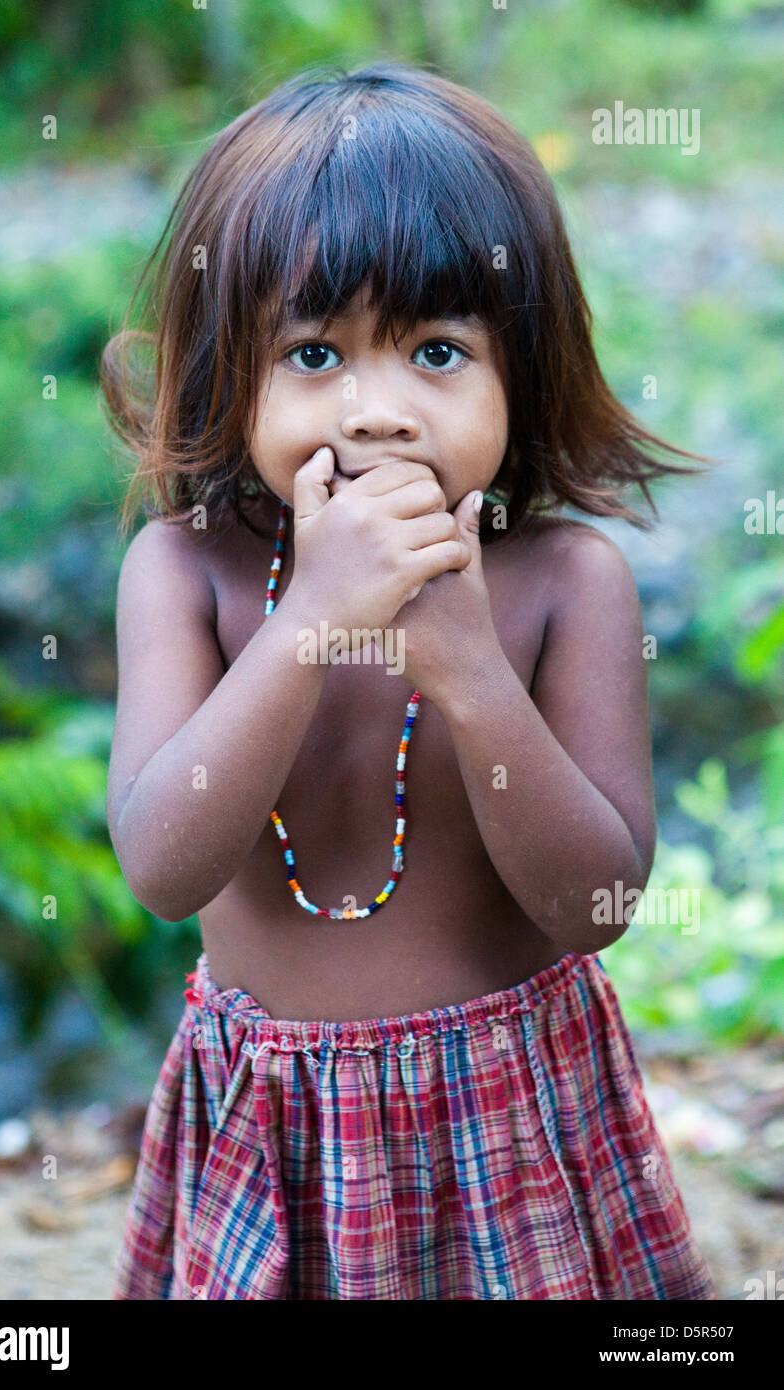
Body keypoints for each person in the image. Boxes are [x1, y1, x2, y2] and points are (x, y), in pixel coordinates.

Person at [102, 60, 717, 1300]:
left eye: (438, 352)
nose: (377, 411)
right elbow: (165, 869)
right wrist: (312, 624)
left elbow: (593, 904)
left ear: (523, 372)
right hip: (272, 1123)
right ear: (232, 371)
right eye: (315, 353)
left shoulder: (561, 583)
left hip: (509, 1118)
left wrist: (468, 664)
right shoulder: (184, 576)